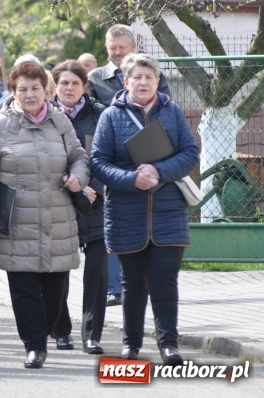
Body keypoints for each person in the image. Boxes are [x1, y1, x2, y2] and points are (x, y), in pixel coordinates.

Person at [0, 60, 89, 369]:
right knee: (23, 290)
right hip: (15, 223)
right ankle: (34, 346)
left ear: (46, 91)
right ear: (13, 91)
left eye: (35, 88)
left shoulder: (61, 123)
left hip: (57, 222)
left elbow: (79, 157)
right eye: (22, 89)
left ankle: (46, 330)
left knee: (55, 290)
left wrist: (79, 177)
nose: (30, 94)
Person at [90, 53, 198, 366]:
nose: (143, 82)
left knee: (165, 282)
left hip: (169, 213)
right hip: (126, 213)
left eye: (149, 77)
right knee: (132, 284)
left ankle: (169, 345)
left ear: (157, 81)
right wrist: (131, 179)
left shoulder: (172, 111)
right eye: (137, 77)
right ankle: (131, 345)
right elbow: (98, 161)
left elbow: (190, 152)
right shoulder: (111, 116)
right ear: (126, 82)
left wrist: (160, 172)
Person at [87, 24, 171, 308]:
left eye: (122, 47)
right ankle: (114, 287)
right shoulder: (95, 78)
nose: (117, 52)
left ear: (133, 47)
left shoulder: (153, 75)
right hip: (114, 161)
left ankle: (142, 283)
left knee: (147, 225)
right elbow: (91, 116)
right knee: (112, 226)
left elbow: (165, 112)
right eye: (112, 48)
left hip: (150, 160)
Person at [50, 60, 108, 355]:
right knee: (59, 271)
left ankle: (92, 335)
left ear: (84, 86)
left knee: (96, 273)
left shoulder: (100, 115)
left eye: (75, 83)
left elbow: (106, 155)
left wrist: (92, 186)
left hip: (97, 204)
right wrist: (70, 183)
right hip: (60, 205)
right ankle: (61, 331)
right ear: (55, 86)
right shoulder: (45, 116)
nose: (69, 88)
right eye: (64, 83)